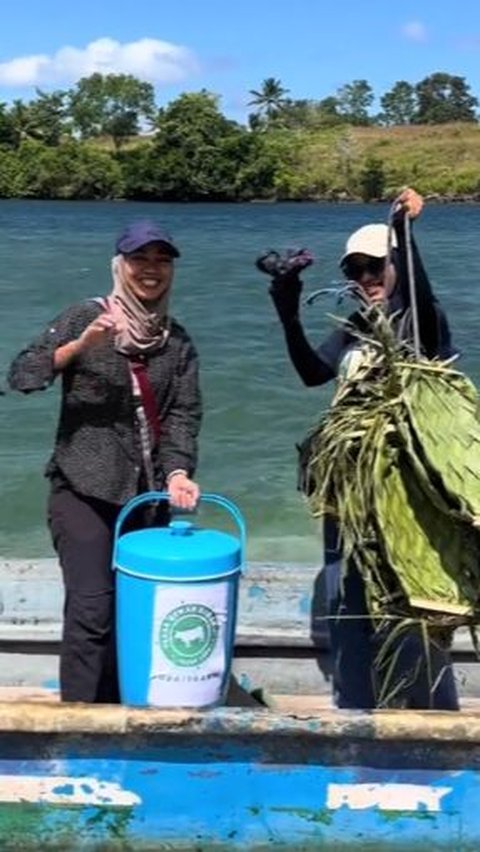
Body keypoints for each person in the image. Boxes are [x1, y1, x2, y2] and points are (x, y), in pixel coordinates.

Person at [262, 187, 459, 711]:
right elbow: (311, 373)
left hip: (406, 497)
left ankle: (427, 717)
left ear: (394, 265)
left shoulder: (422, 324)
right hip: (349, 493)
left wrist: (403, 231)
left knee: (414, 606)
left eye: (376, 268)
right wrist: (286, 311)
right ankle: (355, 713)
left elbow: (417, 290)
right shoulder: (355, 329)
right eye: (356, 272)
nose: (367, 281)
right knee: (348, 601)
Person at [8, 220, 202, 704]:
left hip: (146, 497)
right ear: (121, 265)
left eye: (162, 260)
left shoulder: (176, 342)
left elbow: (182, 415)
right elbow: (22, 375)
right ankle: (79, 720)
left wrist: (178, 472)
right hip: (82, 488)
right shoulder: (83, 316)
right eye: (141, 259)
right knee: (92, 609)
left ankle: (124, 708)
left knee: (133, 611)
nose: (151, 270)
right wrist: (79, 348)